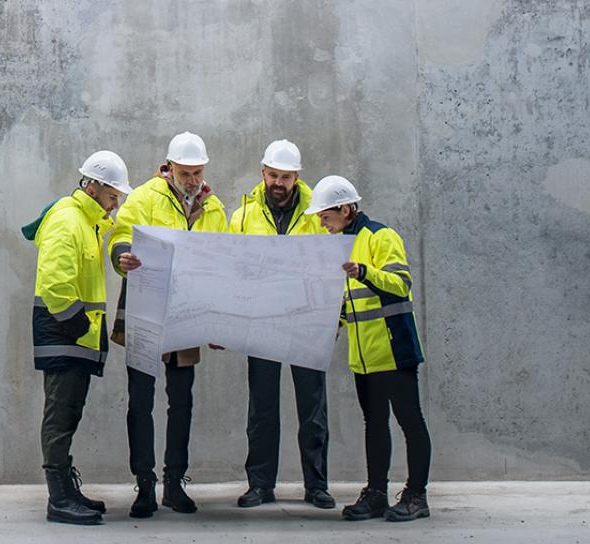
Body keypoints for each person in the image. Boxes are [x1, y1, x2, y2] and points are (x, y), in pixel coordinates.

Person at [108, 132, 229, 518]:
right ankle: (145, 485)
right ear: (169, 167)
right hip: (145, 308)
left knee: (182, 403)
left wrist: (216, 320)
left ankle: (174, 484)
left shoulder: (214, 208)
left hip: (187, 312)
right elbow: (121, 235)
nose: (192, 179)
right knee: (140, 402)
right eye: (186, 172)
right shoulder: (143, 197)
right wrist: (122, 256)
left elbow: (221, 262)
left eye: (197, 172)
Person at [306, 175, 432, 523]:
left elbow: (400, 284)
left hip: (394, 347)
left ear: (346, 209)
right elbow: (353, 302)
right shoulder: (341, 243)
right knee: (374, 424)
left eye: (326, 216)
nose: (322, 223)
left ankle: (416, 495)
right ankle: (376, 493)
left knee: (410, 421)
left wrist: (364, 271)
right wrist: (334, 323)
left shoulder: (380, 236)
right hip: (363, 356)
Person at [22, 150, 134, 525]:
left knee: (69, 412)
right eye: (113, 194)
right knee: (59, 414)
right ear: (95, 186)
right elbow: (55, 284)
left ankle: (67, 489)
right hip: (65, 334)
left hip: (75, 336)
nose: (116, 202)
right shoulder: (68, 220)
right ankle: (58, 499)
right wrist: (78, 326)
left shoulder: (87, 222)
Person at [229, 140, 334, 510]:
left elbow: (334, 265)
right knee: (262, 408)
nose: (278, 182)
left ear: (297, 177)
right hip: (262, 322)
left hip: (307, 322)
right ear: (263, 173)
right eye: (273, 175)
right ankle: (260, 485)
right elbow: (232, 271)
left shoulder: (319, 212)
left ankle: (316, 485)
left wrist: (333, 315)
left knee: (313, 407)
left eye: (286, 177)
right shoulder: (241, 216)